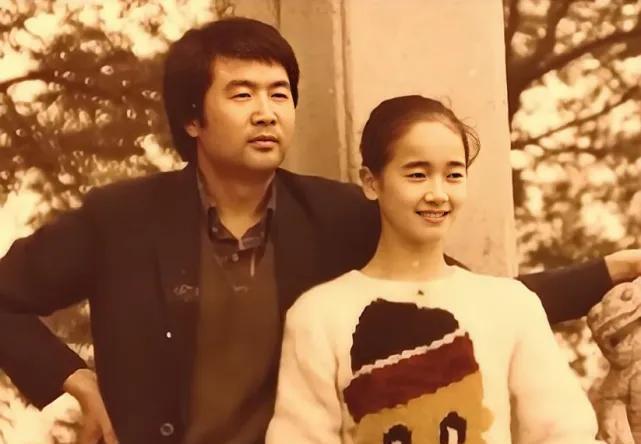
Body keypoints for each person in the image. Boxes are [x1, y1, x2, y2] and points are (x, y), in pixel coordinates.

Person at [0, 17, 637, 444]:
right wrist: (76, 382)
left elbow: (470, 300)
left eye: (279, 94)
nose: (266, 112)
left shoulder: (336, 215)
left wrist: (609, 270)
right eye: (242, 94)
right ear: (192, 118)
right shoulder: (123, 219)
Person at [266, 95, 604, 443]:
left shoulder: (512, 305)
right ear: (371, 182)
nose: (438, 194)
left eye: (453, 175)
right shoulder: (319, 315)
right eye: (418, 175)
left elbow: (566, 431)